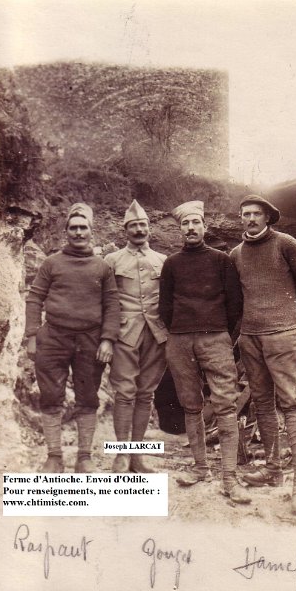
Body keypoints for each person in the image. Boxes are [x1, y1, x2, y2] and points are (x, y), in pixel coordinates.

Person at [230, 194, 296, 515]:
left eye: (257, 213)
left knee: (292, 403)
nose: (251, 219)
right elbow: (237, 299)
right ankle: (273, 468)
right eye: (245, 214)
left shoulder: (287, 245)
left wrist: (287, 314)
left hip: (284, 335)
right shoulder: (236, 255)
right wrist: (245, 328)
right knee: (262, 403)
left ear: (268, 217)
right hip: (251, 338)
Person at [159, 200, 251, 504]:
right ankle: (200, 469)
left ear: (204, 225)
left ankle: (229, 478)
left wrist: (221, 333)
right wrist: (181, 330)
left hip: (216, 339)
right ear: (180, 229)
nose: (190, 228)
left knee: (225, 405)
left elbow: (235, 303)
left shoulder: (222, 260)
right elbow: (165, 306)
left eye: (195, 222)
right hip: (180, 340)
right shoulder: (171, 263)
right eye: (185, 224)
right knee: (191, 405)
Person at [25, 202, 120, 473]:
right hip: (53, 337)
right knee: (50, 395)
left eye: (83, 228)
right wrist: (32, 336)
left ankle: (84, 457)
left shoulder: (102, 267)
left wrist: (107, 339)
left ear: (91, 231)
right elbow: (34, 298)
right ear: (66, 231)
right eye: (73, 228)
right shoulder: (51, 263)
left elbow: (112, 305)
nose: (78, 232)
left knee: (87, 398)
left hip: (90, 341)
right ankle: (54, 457)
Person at [105, 200, 167, 473]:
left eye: (142, 225)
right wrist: (106, 337)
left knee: (146, 395)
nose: (139, 229)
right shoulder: (112, 260)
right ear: (125, 230)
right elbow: (105, 301)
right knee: (124, 394)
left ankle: (137, 456)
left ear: (149, 228)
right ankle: (121, 454)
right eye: (133, 226)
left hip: (156, 335)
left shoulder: (163, 261)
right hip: (124, 335)